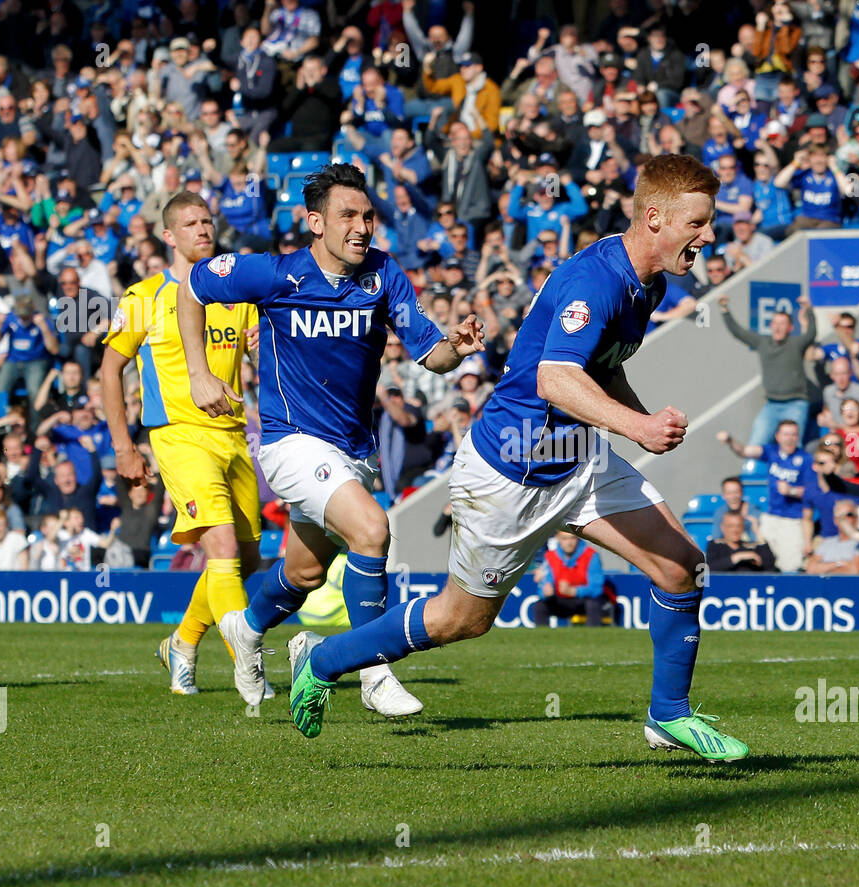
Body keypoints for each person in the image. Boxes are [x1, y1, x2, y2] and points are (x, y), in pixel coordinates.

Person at [277, 154, 748, 761]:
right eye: (699, 224)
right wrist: (638, 424)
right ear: (655, 217)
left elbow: (600, 367)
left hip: (576, 460)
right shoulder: (596, 281)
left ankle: (669, 715)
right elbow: (554, 378)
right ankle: (324, 659)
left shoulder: (648, 281)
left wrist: (637, 423)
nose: (709, 236)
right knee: (462, 620)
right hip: (510, 471)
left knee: (681, 565)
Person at [181, 164, 484, 719]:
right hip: (289, 441)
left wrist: (456, 349)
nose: (362, 226)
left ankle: (247, 630)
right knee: (372, 530)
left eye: (368, 215)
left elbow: (430, 354)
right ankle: (373, 670)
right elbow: (193, 287)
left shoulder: (384, 275)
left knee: (303, 574)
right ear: (314, 222)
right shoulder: (274, 273)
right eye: (348, 215)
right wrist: (200, 373)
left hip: (351, 450)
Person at [100, 190, 267, 702]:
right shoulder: (143, 297)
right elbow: (110, 369)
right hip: (177, 436)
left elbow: (262, 358)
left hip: (233, 436)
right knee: (218, 546)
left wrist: (268, 347)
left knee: (245, 558)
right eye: (191, 223)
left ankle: (183, 641)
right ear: (168, 236)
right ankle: (251, 669)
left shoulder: (238, 296)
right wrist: (124, 448)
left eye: (208, 221)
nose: (203, 229)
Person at [717, 293, 815, 446]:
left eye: (783, 324)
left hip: (796, 404)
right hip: (771, 405)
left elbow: (811, 334)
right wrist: (724, 309)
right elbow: (738, 332)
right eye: (775, 323)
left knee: (793, 446)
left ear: (790, 327)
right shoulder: (762, 342)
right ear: (770, 325)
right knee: (756, 444)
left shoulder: (796, 343)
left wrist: (808, 309)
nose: (778, 327)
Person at [717, 419, 812, 572]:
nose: (789, 438)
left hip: (793, 519)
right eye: (786, 434)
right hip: (771, 517)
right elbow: (744, 451)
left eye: (793, 434)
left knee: (790, 566)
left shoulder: (806, 459)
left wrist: (791, 491)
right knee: (765, 562)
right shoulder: (771, 452)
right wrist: (730, 440)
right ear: (778, 436)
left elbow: (812, 492)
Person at [532, 532, 615, 626]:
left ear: (578, 538)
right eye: (564, 539)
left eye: (572, 538)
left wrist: (574, 591)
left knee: (593, 604)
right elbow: (544, 586)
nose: (569, 543)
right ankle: (544, 637)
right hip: (560, 601)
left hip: (584, 601)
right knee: (539, 606)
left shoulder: (591, 555)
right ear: (558, 539)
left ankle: (593, 637)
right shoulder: (550, 556)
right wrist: (545, 592)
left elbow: (597, 589)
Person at [803, 500, 859, 574]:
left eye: (849, 515)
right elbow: (811, 569)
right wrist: (840, 563)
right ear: (835, 520)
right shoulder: (826, 543)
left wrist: (823, 568)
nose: (844, 519)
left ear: (857, 519)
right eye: (840, 516)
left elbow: (854, 570)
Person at [705, 509, 776, 573]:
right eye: (730, 526)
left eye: (738, 526)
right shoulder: (715, 545)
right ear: (722, 527)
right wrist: (738, 557)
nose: (734, 530)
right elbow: (710, 568)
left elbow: (770, 567)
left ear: (743, 527)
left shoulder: (751, 546)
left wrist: (757, 533)